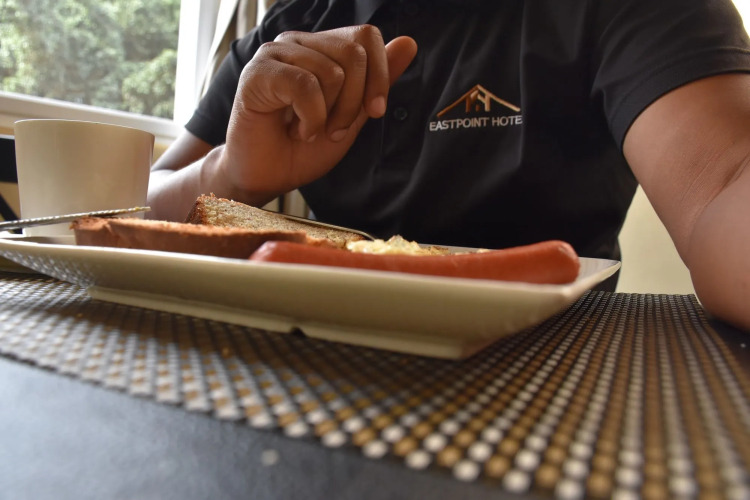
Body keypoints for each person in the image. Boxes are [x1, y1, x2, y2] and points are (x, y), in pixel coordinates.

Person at [148, 0, 750, 331]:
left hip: (557, 370)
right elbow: (143, 200)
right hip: (298, 355)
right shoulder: (287, 29)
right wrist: (231, 174)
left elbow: (726, 183)